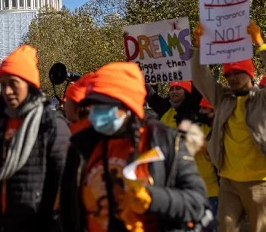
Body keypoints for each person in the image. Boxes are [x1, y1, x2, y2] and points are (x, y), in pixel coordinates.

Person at [60, 62, 210, 232]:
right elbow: (69, 208)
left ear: (128, 106)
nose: (96, 111)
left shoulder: (166, 142)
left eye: (105, 105)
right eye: (94, 104)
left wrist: (152, 198)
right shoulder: (80, 147)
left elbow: (197, 202)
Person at [191, 21, 266, 232]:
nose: (232, 77)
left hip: (261, 182)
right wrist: (199, 47)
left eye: (238, 72)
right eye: (228, 74)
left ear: (250, 73)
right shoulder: (222, 98)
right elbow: (201, 78)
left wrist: (261, 45)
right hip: (228, 182)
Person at [0, 45, 71, 232]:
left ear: (30, 85)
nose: (7, 91)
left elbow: (65, 185)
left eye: (13, 83)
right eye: (3, 84)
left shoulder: (52, 125)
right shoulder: (1, 125)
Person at [195, 98, 219, 232]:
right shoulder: (197, 128)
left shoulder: (223, 129)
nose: (200, 112)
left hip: (214, 190)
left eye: (204, 108)